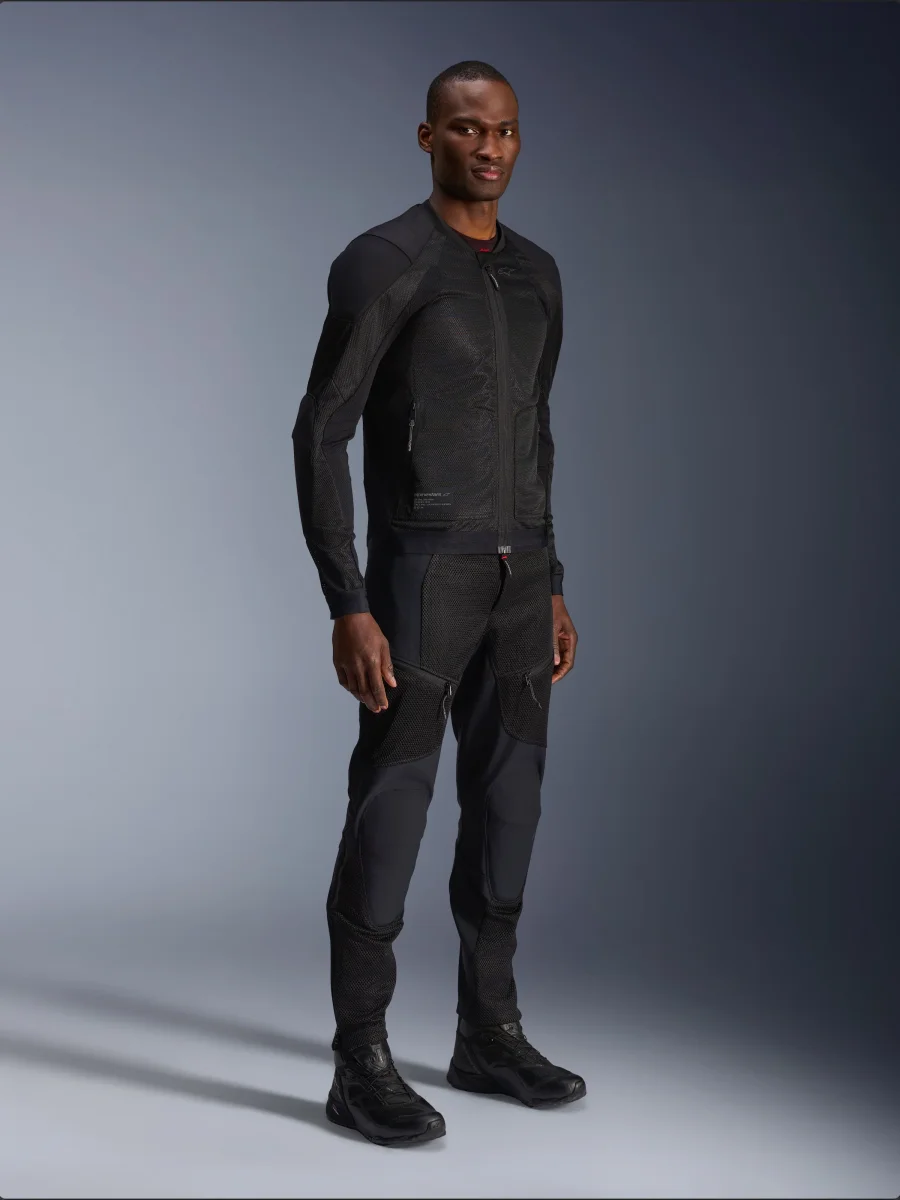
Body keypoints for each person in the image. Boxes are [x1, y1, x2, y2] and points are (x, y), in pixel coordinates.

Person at [292, 59, 583, 1148]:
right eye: (465, 129)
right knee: (393, 810)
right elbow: (320, 431)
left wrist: (555, 580)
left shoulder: (540, 273)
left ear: (519, 138)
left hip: (520, 585)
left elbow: (535, 435)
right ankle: (359, 1060)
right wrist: (347, 599)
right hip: (422, 581)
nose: (487, 147)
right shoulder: (385, 260)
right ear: (428, 139)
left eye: (502, 129)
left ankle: (487, 1032)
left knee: (510, 810)